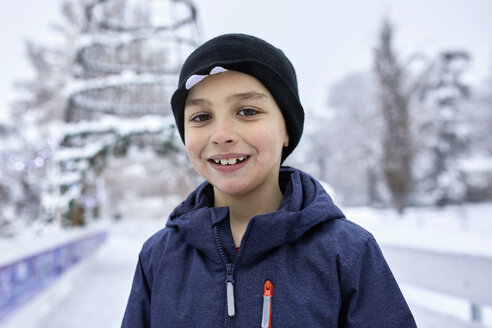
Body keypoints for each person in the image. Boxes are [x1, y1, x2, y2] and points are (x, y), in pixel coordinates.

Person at [122, 33, 417, 328]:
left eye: (247, 111)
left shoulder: (348, 252)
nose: (221, 133)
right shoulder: (158, 258)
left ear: (287, 129)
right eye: (201, 117)